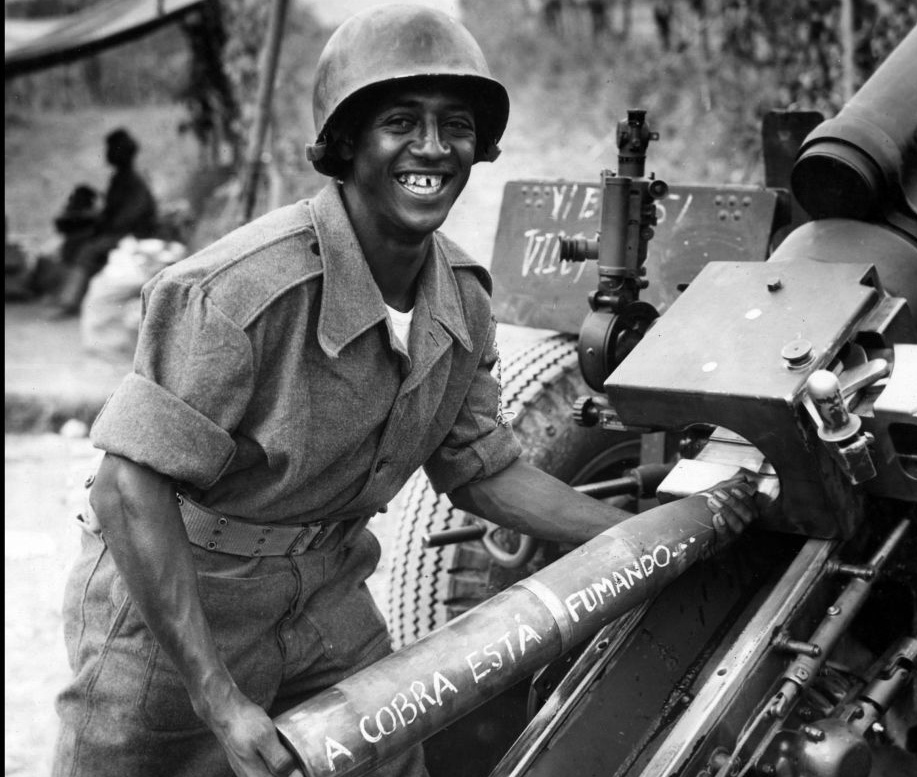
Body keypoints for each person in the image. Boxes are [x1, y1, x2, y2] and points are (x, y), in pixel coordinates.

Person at [52, 6, 758, 777]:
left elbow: (481, 471)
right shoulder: (237, 293)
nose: (432, 147)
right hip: (184, 594)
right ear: (347, 142)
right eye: (400, 120)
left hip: (328, 589)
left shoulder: (462, 299)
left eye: (455, 124)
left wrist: (647, 538)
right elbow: (129, 487)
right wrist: (216, 697)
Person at [53, 127, 157, 316]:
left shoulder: (133, 182)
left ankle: (68, 303)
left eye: (111, 149)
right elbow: (110, 212)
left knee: (88, 250)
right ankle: (73, 295)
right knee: (74, 242)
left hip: (134, 235)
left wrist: (101, 226)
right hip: (117, 232)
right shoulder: (118, 179)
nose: (108, 153)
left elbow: (127, 218)